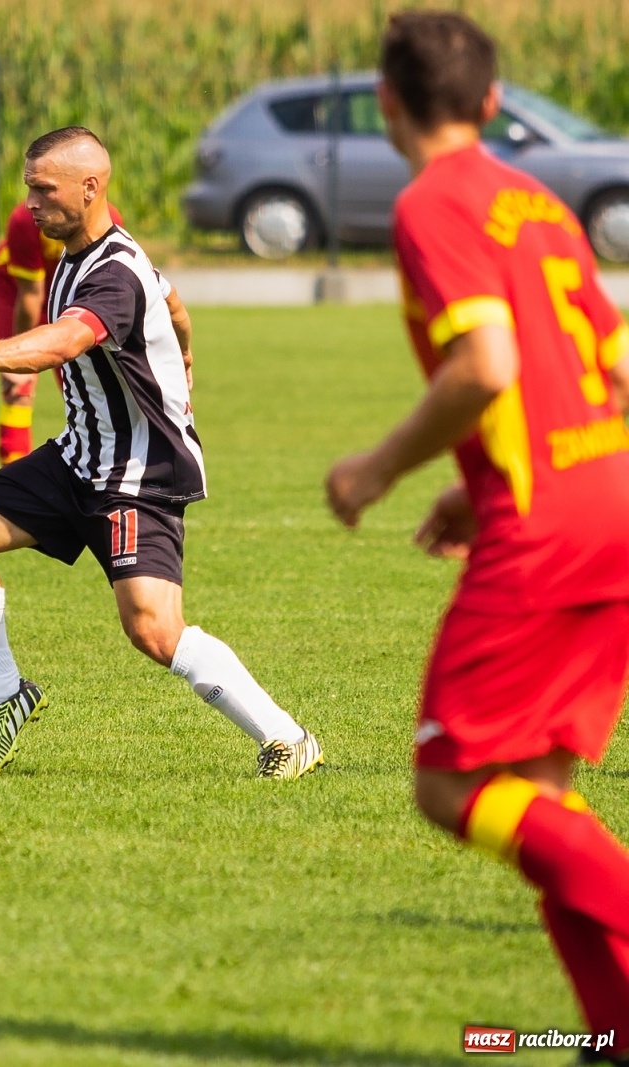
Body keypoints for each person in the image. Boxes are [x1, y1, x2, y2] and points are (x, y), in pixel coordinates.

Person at [325, 12, 629, 1054]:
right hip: (609, 495)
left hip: (544, 527)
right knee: (540, 798)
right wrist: (477, 474)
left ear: (387, 104)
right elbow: (616, 365)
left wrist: (378, 467)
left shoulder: (433, 202)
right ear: (495, 102)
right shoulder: (538, 198)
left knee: (450, 782)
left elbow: (487, 366)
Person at [0, 127, 322, 779]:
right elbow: (175, 301)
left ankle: (287, 736)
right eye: (28, 189)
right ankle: (5, 695)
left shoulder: (114, 274)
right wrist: (183, 347)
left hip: (138, 476)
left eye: (44, 190)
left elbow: (65, 341)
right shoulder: (76, 252)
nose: (31, 204)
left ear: (90, 187)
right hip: (78, 456)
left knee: (153, 629)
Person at [0, 201, 193, 465]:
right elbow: (30, 296)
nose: (34, 199)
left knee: (89, 388)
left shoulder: (109, 220)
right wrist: (18, 363)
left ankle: (109, 477)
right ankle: (12, 491)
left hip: (74, 293)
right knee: (18, 388)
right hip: (15, 289)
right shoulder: (23, 220)